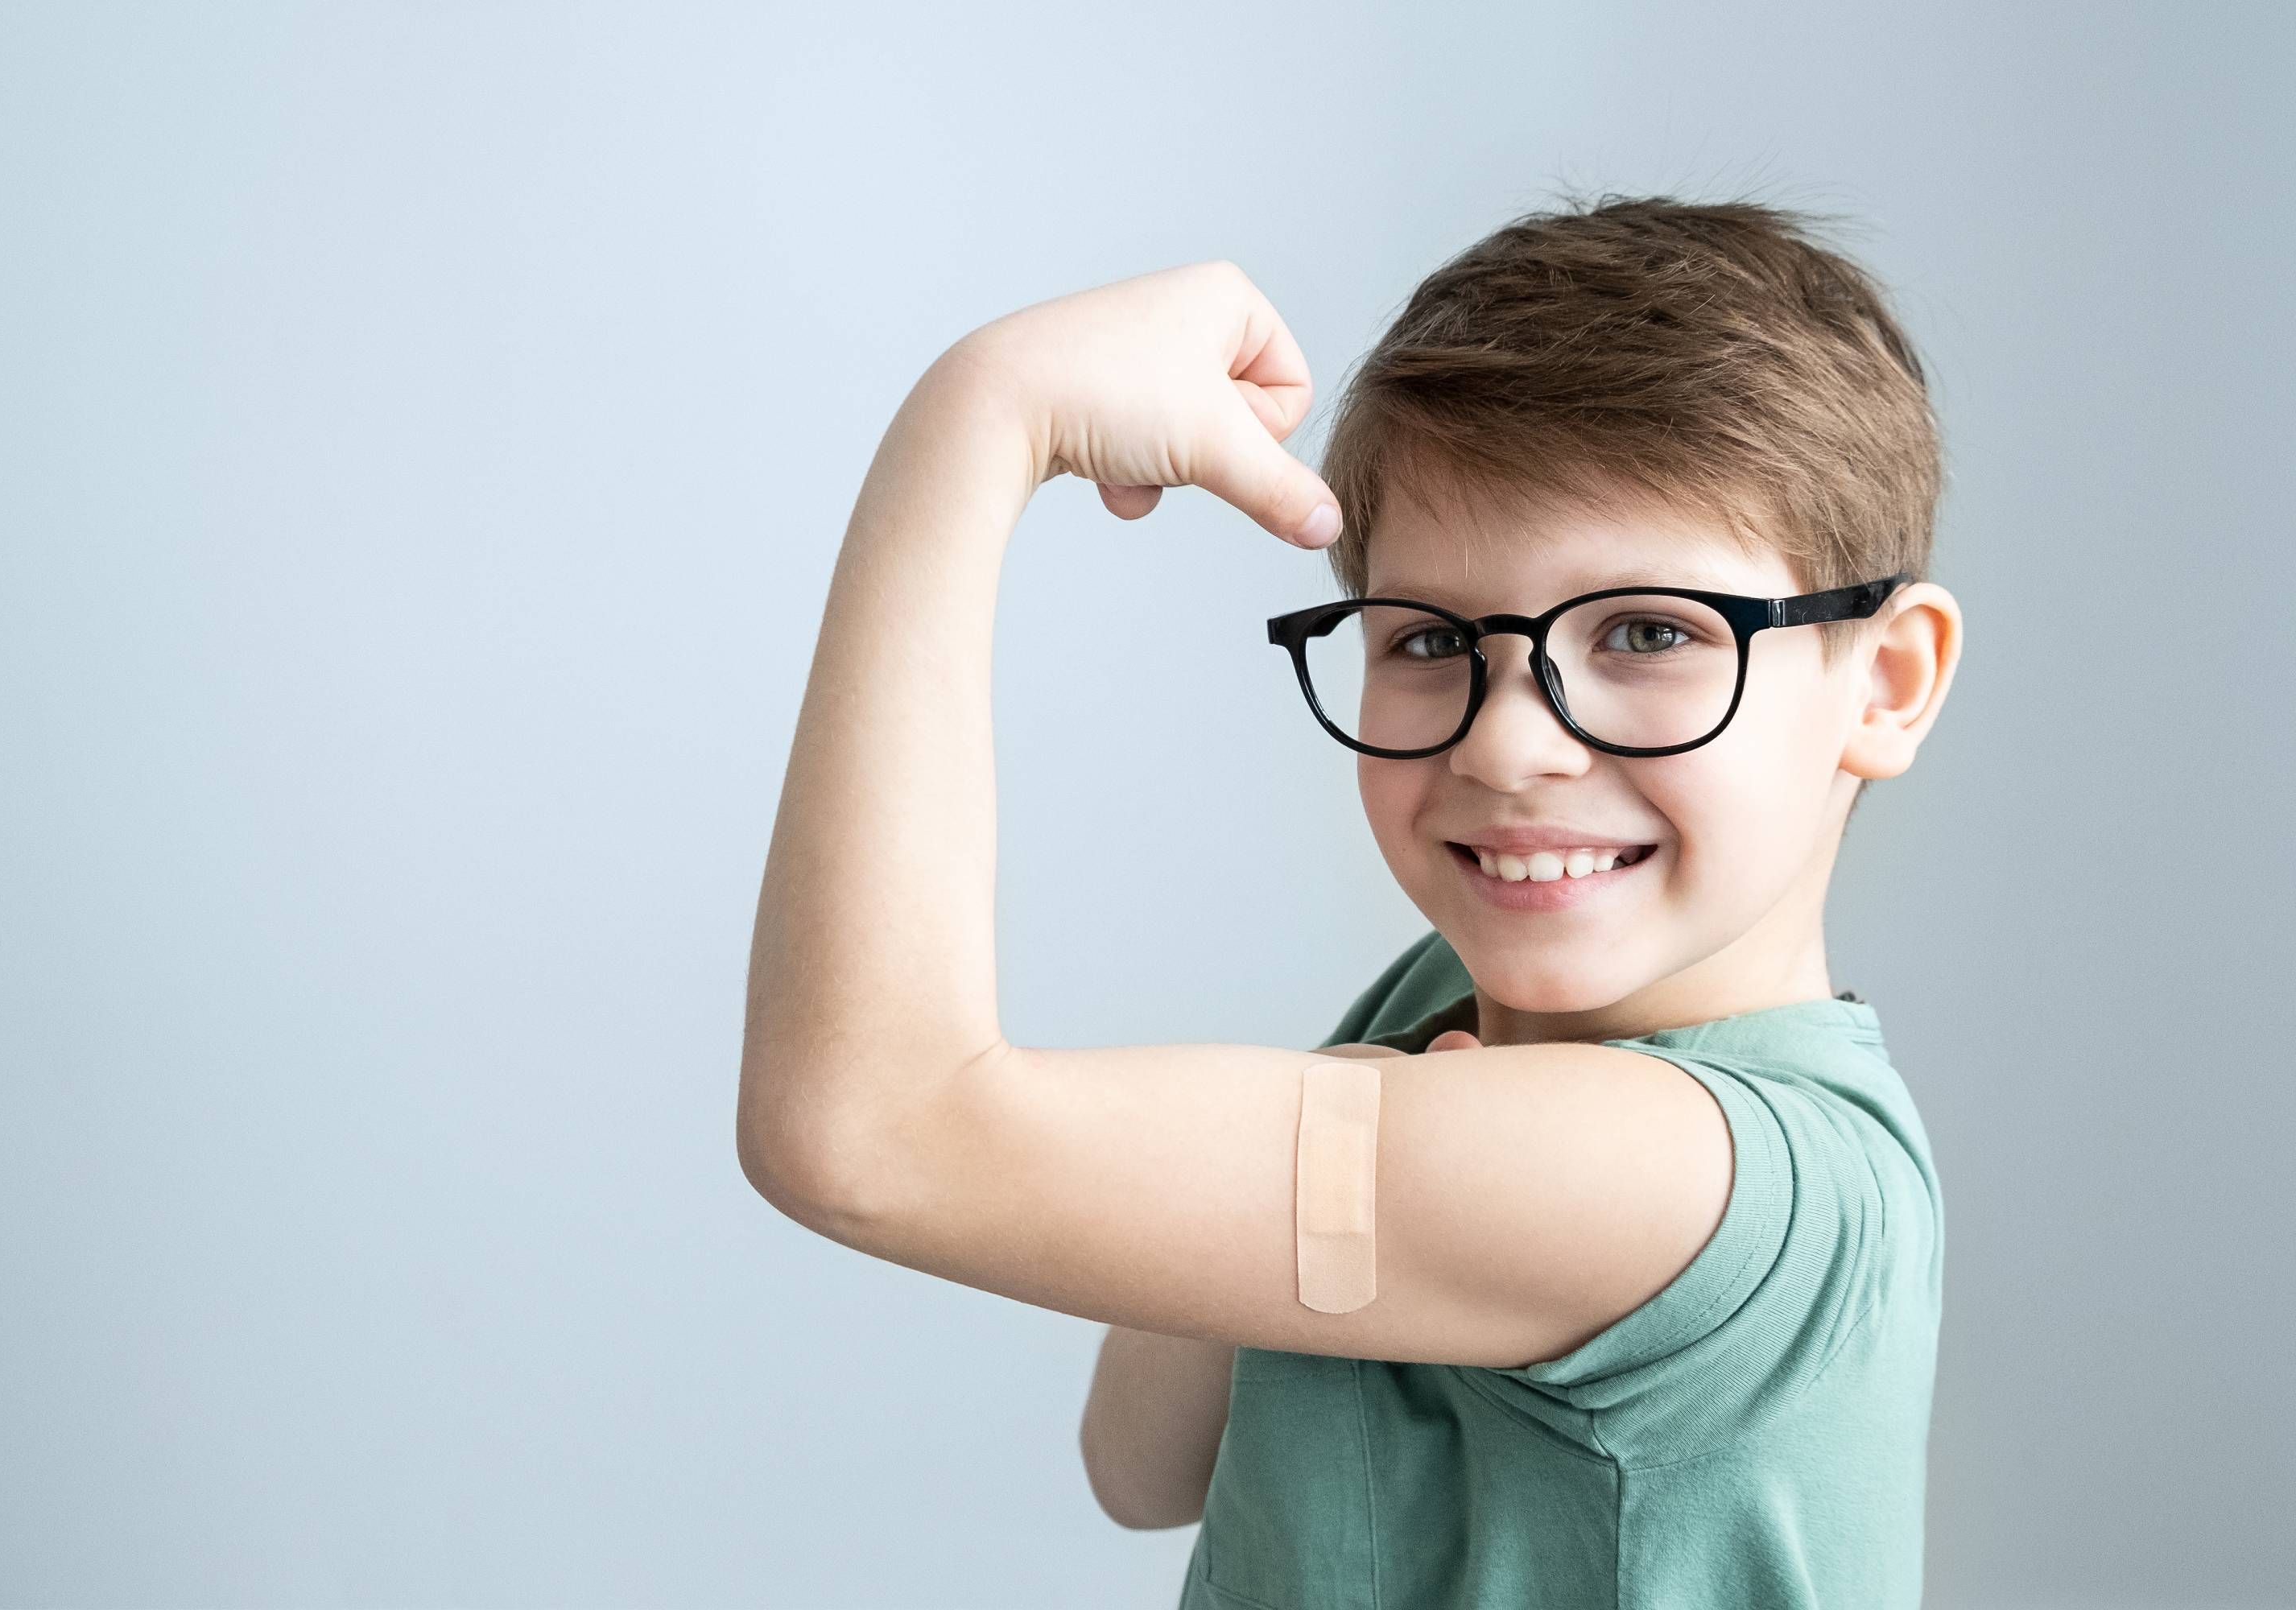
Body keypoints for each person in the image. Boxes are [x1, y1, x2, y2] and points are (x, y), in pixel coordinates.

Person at [737, 193, 1964, 1609]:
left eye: (1646, 633)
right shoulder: (1430, 1013)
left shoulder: (1701, 1180)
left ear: (1885, 683)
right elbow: (1139, 1464)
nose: (1507, 744)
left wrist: (980, 418)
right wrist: (1370, 1127)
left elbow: (865, 1133)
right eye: (1434, 638)